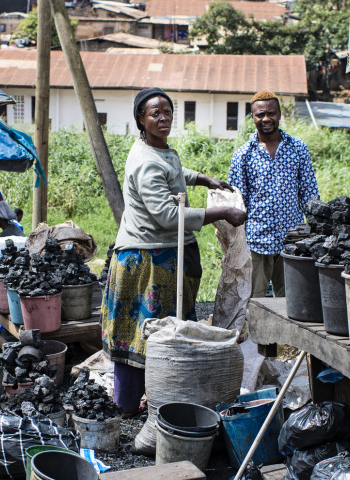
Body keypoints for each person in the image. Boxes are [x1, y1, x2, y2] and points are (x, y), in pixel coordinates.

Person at [101, 87, 247, 417]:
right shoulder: (144, 162)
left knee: (170, 331)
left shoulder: (159, 149)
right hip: (147, 259)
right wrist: (222, 213)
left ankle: (166, 393)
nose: (164, 118)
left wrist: (203, 180)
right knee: (141, 331)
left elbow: (174, 173)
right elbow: (167, 215)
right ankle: (129, 403)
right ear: (141, 118)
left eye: (168, 111)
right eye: (155, 113)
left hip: (166, 254)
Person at [228, 91, 319, 298]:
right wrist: (235, 245)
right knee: (254, 300)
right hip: (257, 240)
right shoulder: (243, 155)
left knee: (292, 299)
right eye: (260, 114)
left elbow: (309, 193)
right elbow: (237, 204)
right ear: (253, 118)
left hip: (293, 240)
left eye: (271, 113)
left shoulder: (297, 148)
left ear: (279, 114)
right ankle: (254, 332)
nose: (266, 119)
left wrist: (314, 232)